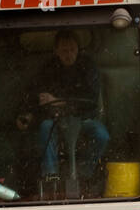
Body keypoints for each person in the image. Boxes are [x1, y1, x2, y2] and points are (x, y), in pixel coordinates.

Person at [18, 30, 109, 195]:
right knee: (46, 127)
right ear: (56, 51)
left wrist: (59, 101)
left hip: (84, 119)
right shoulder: (47, 69)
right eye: (64, 51)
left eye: (72, 49)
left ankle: (85, 176)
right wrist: (28, 115)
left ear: (78, 49)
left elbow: (90, 99)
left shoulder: (88, 67)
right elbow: (36, 97)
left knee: (102, 135)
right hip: (55, 120)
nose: (69, 54)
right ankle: (51, 178)